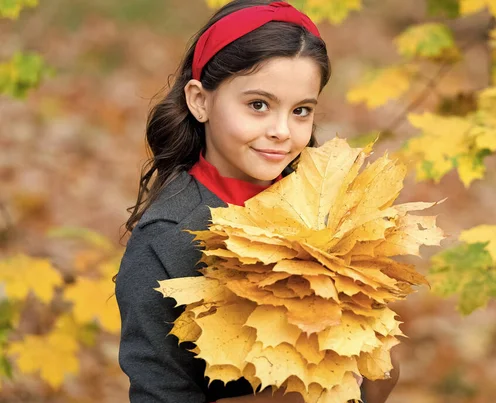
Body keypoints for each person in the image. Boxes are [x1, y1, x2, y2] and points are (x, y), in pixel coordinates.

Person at [114, 1, 400, 402]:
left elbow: (374, 373)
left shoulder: (330, 212)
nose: (282, 131)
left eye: (301, 111)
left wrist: (371, 359)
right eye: (258, 105)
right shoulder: (165, 240)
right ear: (200, 100)